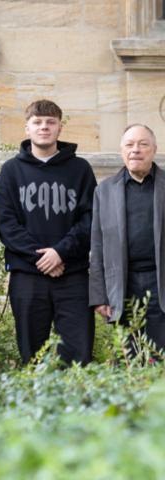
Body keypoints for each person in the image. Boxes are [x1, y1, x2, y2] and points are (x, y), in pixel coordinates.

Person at [0, 99, 97, 365]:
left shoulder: (80, 170)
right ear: (26, 128)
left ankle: (78, 406)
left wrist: (60, 253)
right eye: (37, 122)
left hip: (72, 275)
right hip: (27, 276)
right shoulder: (10, 172)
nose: (44, 127)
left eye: (50, 122)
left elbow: (90, 219)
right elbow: (7, 225)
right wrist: (43, 258)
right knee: (31, 356)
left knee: (78, 356)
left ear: (60, 128)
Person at [90, 124, 165, 353]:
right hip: (123, 285)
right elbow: (97, 245)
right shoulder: (104, 191)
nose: (136, 150)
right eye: (129, 145)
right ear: (122, 151)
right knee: (129, 360)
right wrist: (99, 295)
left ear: (154, 149)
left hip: (160, 282)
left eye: (143, 144)